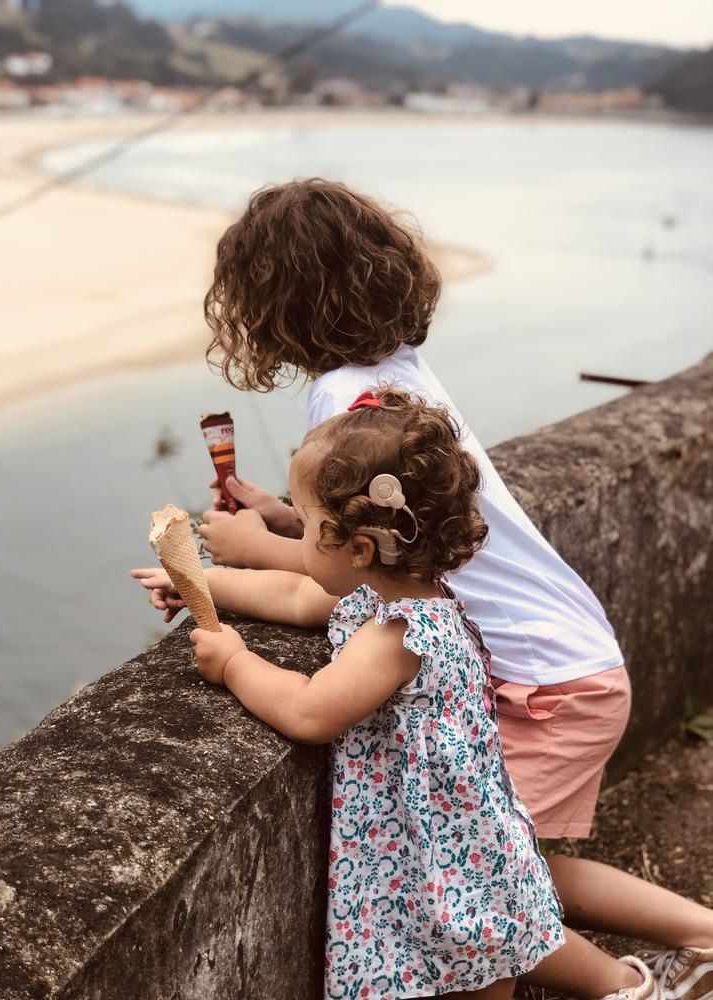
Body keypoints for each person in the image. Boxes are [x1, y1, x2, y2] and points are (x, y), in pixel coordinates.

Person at [194, 179, 713, 998]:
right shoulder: (395, 372)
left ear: (270, 305)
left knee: (484, 885)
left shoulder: (345, 399)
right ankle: (685, 947)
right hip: (565, 654)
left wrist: (253, 548)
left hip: (543, 682)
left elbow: (348, 572)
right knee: (511, 869)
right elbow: (373, 537)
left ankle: (640, 978)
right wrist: (284, 521)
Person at [133, 389, 662, 1000]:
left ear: (359, 549)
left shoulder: (399, 634)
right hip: (453, 844)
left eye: (305, 525)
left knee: (477, 973)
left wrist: (234, 663)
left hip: (450, 859)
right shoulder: (403, 595)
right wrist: (200, 582)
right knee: (480, 966)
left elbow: (309, 710)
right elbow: (296, 597)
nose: (297, 541)